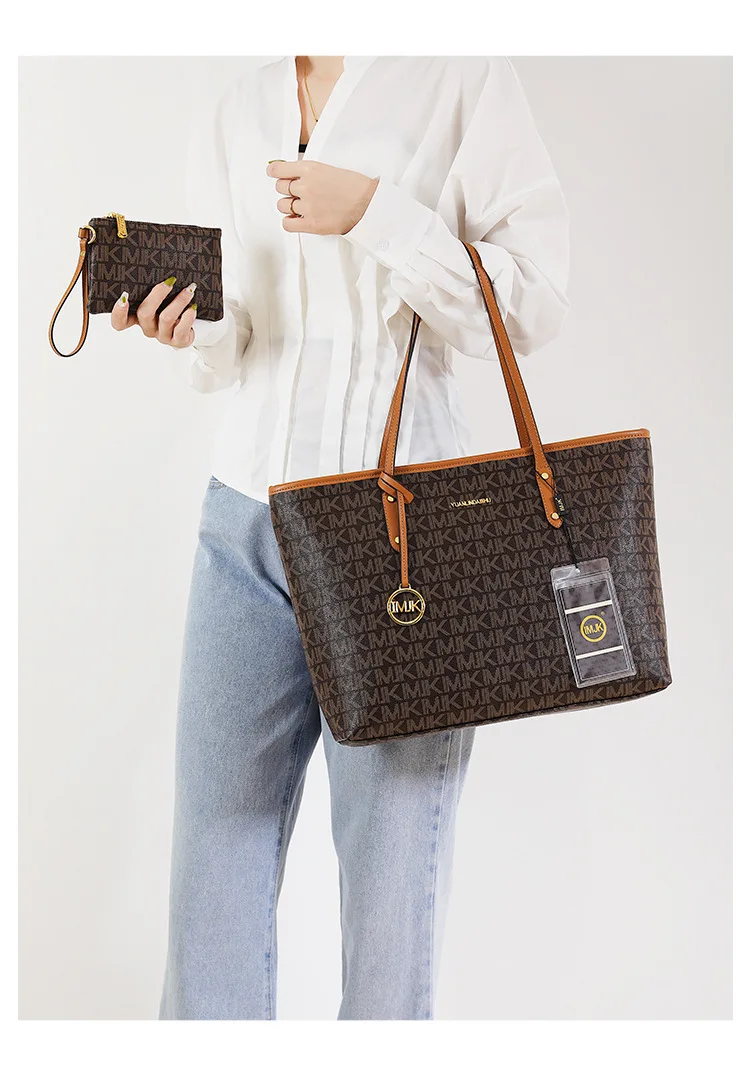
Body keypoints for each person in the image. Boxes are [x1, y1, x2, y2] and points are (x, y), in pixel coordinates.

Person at [111, 55, 570, 1020]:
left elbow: (532, 303)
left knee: (393, 883)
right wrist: (190, 325)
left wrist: (376, 212)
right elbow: (237, 343)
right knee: (211, 874)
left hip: (402, 534)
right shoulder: (237, 103)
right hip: (244, 519)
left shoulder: (460, 79)